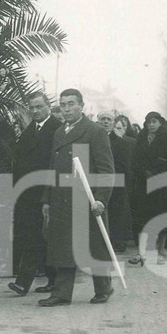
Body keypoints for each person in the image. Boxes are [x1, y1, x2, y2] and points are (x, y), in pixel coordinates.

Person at [39, 89, 115, 306]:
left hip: (87, 199)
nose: (66, 109)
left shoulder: (95, 131)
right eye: (63, 105)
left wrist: (101, 199)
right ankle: (61, 293)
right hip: (61, 199)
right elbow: (53, 168)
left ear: (81, 106)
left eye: (71, 104)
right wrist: (47, 198)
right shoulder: (59, 132)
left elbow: (106, 169)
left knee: (94, 245)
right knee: (63, 246)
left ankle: (103, 288)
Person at [7, 91, 59, 296]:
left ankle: (29, 282)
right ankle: (46, 281)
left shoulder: (56, 129)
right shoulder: (31, 129)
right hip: (27, 193)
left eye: (39, 107)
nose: (35, 111)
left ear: (48, 106)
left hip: (45, 192)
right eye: (32, 107)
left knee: (42, 237)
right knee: (34, 236)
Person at [128, 111, 167, 265]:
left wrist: (157, 172)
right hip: (143, 184)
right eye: (149, 122)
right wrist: (144, 172)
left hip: (161, 185)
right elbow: (134, 160)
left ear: (160, 123)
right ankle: (141, 252)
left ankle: (161, 251)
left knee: (160, 216)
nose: (151, 125)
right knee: (141, 218)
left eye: (154, 122)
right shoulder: (141, 138)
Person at [97, 111, 133, 255]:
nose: (106, 122)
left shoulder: (122, 143)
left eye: (109, 119)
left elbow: (126, 167)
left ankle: (118, 241)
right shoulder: (93, 140)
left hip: (117, 183)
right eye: (103, 119)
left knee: (117, 213)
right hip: (98, 182)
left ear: (113, 123)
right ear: (98, 122)